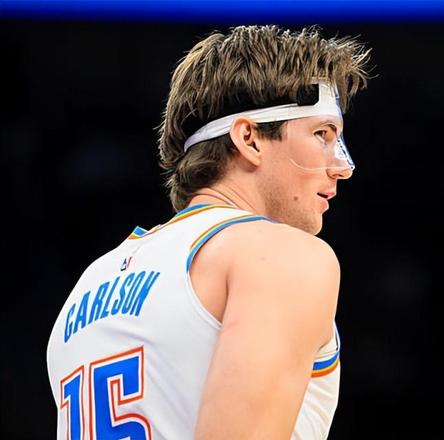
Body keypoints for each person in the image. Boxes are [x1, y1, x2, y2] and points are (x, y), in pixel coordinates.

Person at [46, 25, 371, 439]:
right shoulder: (281, 255)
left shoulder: (89, 283)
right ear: (250, 139)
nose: (341, 166)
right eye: (322, 135)